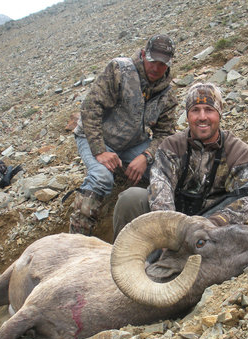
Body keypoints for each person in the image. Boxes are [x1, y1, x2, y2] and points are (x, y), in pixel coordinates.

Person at [113, 82, 248, 239]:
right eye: (195, 110)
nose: (202, 117)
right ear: (187, 115)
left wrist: (214, 224)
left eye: (209, 110)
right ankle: (122, 258)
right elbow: (160, 188)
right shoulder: (171, 145)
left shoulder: (239, 152)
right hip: (173, 224)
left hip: (214, 230)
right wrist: (171, 231)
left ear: (220, 113)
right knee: (131, 198)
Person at [69, 34, 178, 235]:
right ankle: (76, 237)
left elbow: (166, 134)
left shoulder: (166, 94)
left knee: (163, 166)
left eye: (162, 64)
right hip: (94, 137)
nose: (155, 68)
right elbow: (91, 108)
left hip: (132, 143)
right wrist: (100, 150)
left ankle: (167, 224)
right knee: (101, 177)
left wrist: (145, 157)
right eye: (152, 61)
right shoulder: (119, 70)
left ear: (169, 64)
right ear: (144, 54)